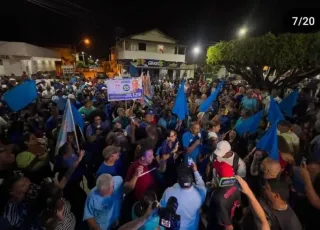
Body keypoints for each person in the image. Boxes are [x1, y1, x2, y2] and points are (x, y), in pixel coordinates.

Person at [160, 162, 206, 229]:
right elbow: (201, 184)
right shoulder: (201, 193)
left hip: (175, 227)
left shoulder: (168, 192)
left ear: (178, 180)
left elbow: (162, 208)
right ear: (191, 178)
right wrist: (195, 170)